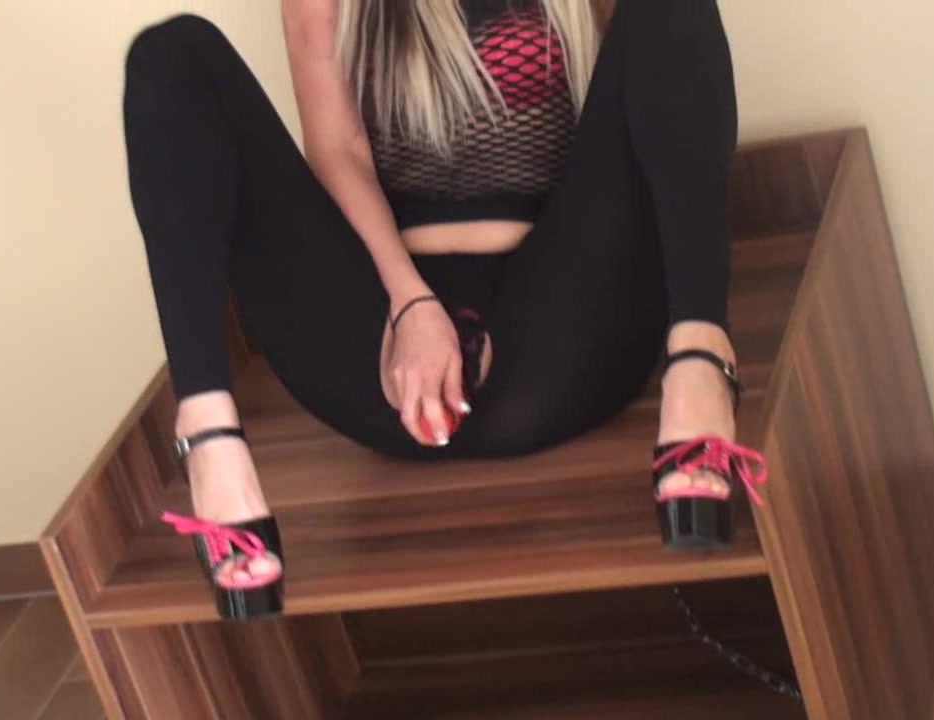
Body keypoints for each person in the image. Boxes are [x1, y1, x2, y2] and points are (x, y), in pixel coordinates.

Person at [125, 0, 766, 621]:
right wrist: (410, 305)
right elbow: (339, 149)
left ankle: (701, 361)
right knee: (172, 54)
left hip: (563, 323)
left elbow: (649, 95)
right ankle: (211, 443)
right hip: (381, 345)